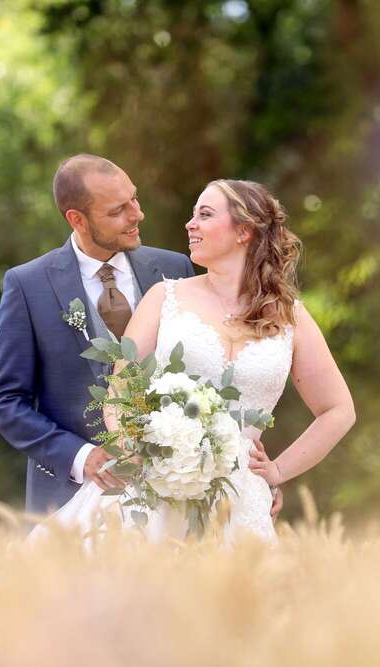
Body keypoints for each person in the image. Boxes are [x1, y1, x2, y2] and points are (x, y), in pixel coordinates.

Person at [29, 178, 355, 542]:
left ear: (243, 231)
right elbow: (120, 394)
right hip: (151, 492)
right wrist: (136, 448)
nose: (190, 224)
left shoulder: (289, 317)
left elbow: (338, 410)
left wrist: (277, 471)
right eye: (192, 214)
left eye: (205, 214)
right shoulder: (163, 298)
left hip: (238, 504)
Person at [0, 155, 290, 518]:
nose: (137, 215)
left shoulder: (175, 268)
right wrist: (82, 458)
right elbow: (6, 401)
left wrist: (243, 464)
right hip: (67, 495)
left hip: (177, 494)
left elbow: (217, 373)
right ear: (77, 219)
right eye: (118, 210)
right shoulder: (27, 285)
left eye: (135, 198)